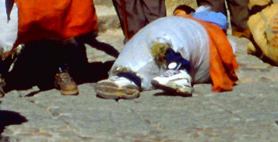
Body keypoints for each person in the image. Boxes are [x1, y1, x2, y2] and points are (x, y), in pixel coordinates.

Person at [94, 5, 238, 100]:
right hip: (168, 34)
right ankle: (128, 78)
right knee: (143, 47)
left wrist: (192, 15)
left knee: (167, 37)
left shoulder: (200, 20)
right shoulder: (174, 21)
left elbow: (220, 21)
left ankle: (179, 70)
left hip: (191, 37)